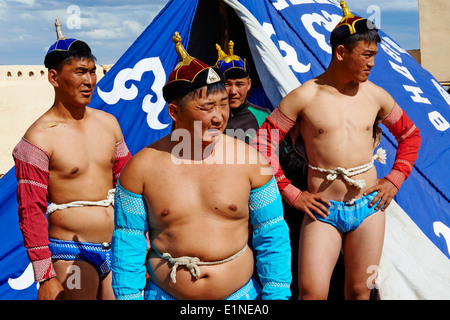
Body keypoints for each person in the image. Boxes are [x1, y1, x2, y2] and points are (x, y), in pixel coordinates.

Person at [251, 1, 420, 300]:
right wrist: (292, 193)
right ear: (341, 53)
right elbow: (264, 143)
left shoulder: (377, 97)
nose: (372, 63)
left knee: (360, 290)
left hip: (369, 208)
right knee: (311, 292)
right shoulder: (303, 97)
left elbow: (410, 135)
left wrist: (395, 178)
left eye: (374, 56)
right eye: (366, 55)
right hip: (323, 211)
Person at [110, 32, 291, 300]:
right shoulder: (140, 169)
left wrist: (276, 294)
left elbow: (272, 232)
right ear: (174, 112)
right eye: (206, 107)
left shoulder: (253, 162)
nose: (218, 117)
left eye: (222, 105)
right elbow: (128, 242)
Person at [12, 19, 131, 300]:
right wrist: (45, 277)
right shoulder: (38, 139)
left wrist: (142, 243)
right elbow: (30, 211)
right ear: (54, 78)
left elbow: (129, 188)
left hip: (117, 247)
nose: (89, 80)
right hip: (69, 253)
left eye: (92, 72)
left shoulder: (109, 124)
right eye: (79, 72)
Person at [215, 41, 270, 144]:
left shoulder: (263, 117)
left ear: (249, 84)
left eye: (239, 84)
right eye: (227, 84)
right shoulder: (208, 118)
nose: (233, 91)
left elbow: (280, 154)